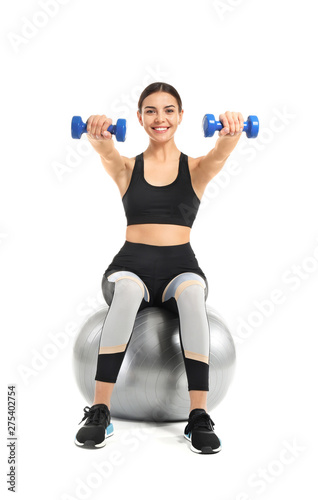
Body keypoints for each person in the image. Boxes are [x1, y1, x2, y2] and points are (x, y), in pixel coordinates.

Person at [74, 82, 244, 454]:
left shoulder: (196, 169)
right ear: (138, 118)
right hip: (129, 266)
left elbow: (222, 150)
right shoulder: (126, 168)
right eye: (150, 110)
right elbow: (104, 149)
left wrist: (232, 127)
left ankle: (197, 415)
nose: (160, 118)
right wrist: (98, 129)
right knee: (130, 292)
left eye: (168, 110)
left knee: (194, 293)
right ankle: (100, 411)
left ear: (181, 117)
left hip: (180, 265)